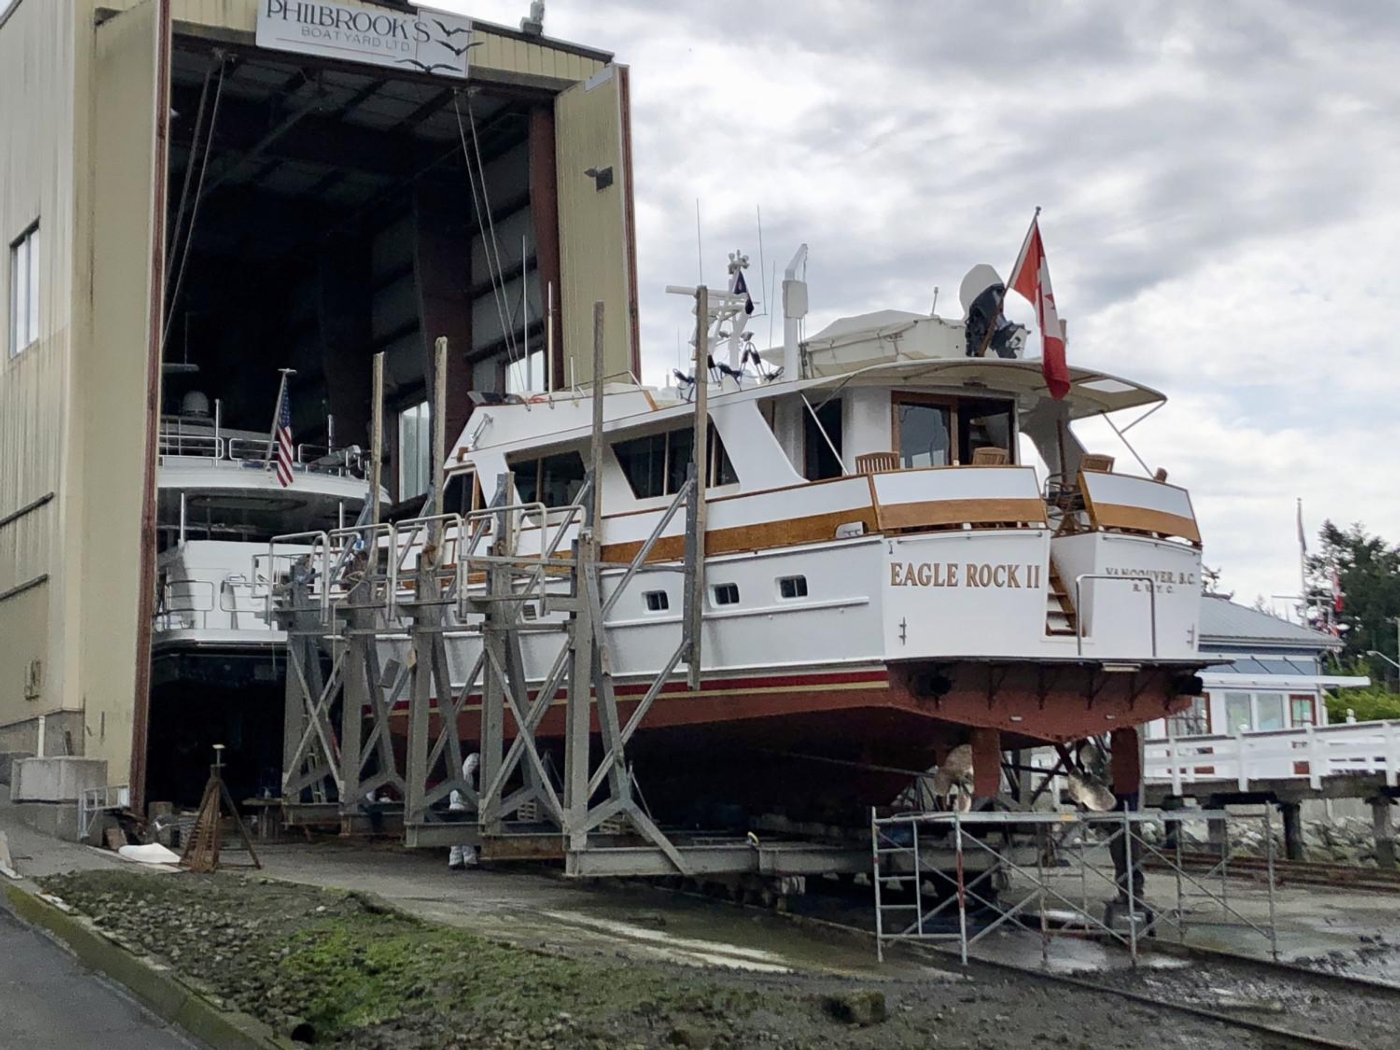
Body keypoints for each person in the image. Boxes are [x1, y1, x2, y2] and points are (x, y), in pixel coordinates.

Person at [448, 752, 480, 870]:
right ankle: (470, 860)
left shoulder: (459, 776)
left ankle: (454, 860)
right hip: (463, 809)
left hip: (453, 808)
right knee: (467, 835)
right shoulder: (467, 777)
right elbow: (466, 795)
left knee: (455, 837)